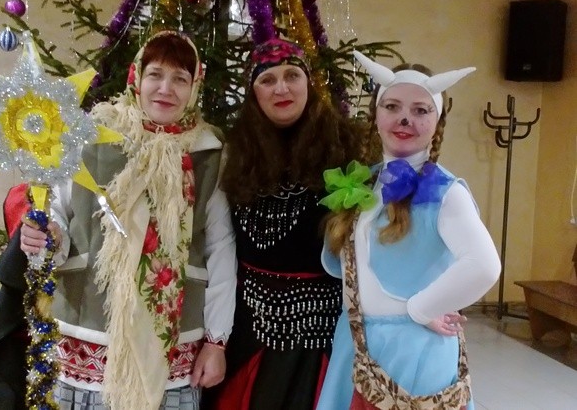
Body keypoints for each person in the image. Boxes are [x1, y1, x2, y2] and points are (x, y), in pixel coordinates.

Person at [0, 30, 237, 410]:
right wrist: (49, 235)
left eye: (180, 78)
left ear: (194, 86)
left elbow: (221, 250)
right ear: (137, 77)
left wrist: (216, 342)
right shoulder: (91, 136)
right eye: (155, 74)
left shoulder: (209, 154)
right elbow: (59, 213)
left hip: (173, 341)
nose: (166, 89)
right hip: (91, 333)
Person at [316, 51, 502, 410]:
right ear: (376, 114)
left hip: (414, 350)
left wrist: (421, 309)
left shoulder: (445, 192)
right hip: (357, 340)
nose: (405, 118)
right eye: (392, 106)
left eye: (420, 110)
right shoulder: (365, 181)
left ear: (437, 121)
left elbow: (484, 265)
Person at [205, 39, 361, 410]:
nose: (281, 88)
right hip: (247, 329)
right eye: (267, 79)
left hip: (320, 334)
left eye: (292, 75)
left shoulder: (344, 149)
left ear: (309, 83)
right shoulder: (233, 153)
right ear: (253, 92)